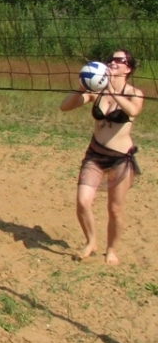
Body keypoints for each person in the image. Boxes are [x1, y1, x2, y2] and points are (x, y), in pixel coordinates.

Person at [60, 49, 144, 265]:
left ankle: (111, 250)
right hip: (95, 155)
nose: (113, 62)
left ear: (128, 68)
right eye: (111, 59)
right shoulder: (96, 91)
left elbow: (133, 111)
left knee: (115, 209)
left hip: (120, 159)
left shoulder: (134, 93)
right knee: (82, 201)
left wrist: (113, 91)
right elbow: (65, 107)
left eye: (119, 60)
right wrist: (82, 86)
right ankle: (91, 241)